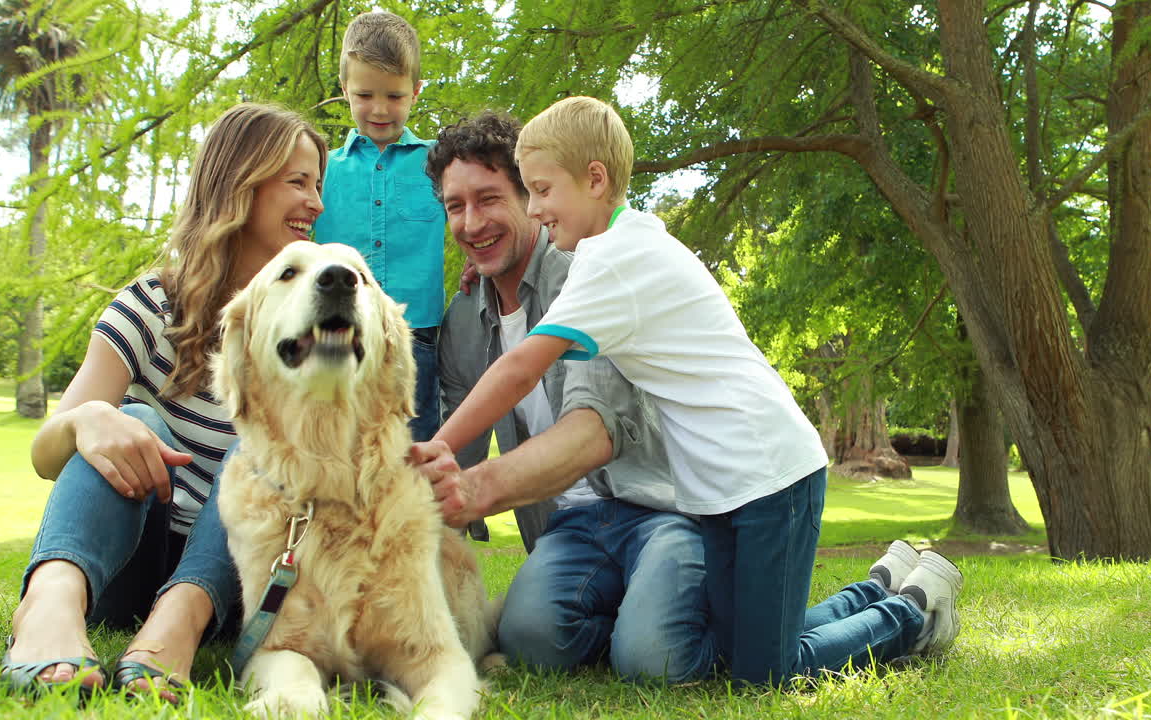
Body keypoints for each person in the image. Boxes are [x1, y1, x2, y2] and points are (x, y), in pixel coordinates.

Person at [428, 96, 963, 686]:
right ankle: (877, 588)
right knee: (742, 645)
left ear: (595, 180)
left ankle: (912, 615)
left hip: (769, 473)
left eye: (540, 191)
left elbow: (521, 370)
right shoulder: (616, 243)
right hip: (722, 487)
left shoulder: (610, 263)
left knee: (765, 672)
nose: (535, 209)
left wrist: (437, 449)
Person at [0, 103, 327, 702]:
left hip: (227, 583)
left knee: (272, 442)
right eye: (297, 182)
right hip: (125, 561)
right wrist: (88, 420)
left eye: (317, 185)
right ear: (241, 183)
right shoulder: (153, 303)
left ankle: (175, 626)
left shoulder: (309, 334)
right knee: (131, 417)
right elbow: (45, 457)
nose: (316, 203)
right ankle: (47, 607)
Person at [417, 111, 715, 682]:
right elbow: (452, 456)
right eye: (456, 206)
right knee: (529, 639)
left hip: (659, 510)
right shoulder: (463, 322)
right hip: (569, 532)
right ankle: (647, 618)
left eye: (489, 199)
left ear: (530, 198)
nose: (472, 223)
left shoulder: (589, 272)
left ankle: (884, 604)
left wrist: (476, 491)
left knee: (654, 659)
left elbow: (593, 432)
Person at [313, 11, 445, 443]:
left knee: (410, 446)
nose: (380, 109)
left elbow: (472, 218)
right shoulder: (322, 168)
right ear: (345, 90)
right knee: (335, 442)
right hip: (335, 332)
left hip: (416, 336)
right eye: (365, 94)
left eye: (395, 95)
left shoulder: (439, 162)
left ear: (416, 91)